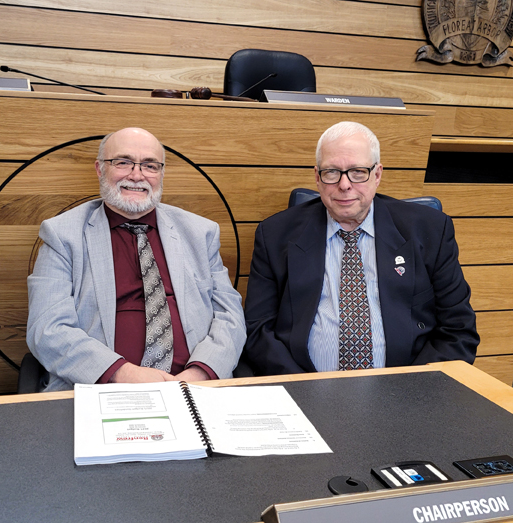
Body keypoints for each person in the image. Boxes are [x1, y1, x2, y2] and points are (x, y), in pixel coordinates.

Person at [243, 121, 478, 375]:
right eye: (332, 172)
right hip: (304, 388)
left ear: (377, 175)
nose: (344, 185)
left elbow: (458, 331)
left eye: (357, 172)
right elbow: (257, 330)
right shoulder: (275, 234)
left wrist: (409, 390)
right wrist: (301, 388)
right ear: (317, 178)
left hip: (404, 393)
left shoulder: (429, 230)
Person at [27, 127, 245, 391]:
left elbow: (230, 316)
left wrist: (201, 373)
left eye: (150, 166)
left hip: (195, 387)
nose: (137, 175)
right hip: (102, 386)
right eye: (123, 162)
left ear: (161, 173)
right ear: (99, 169)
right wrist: (122, 373)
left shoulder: (200, 232)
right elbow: (47, 329)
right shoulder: (62, 234)